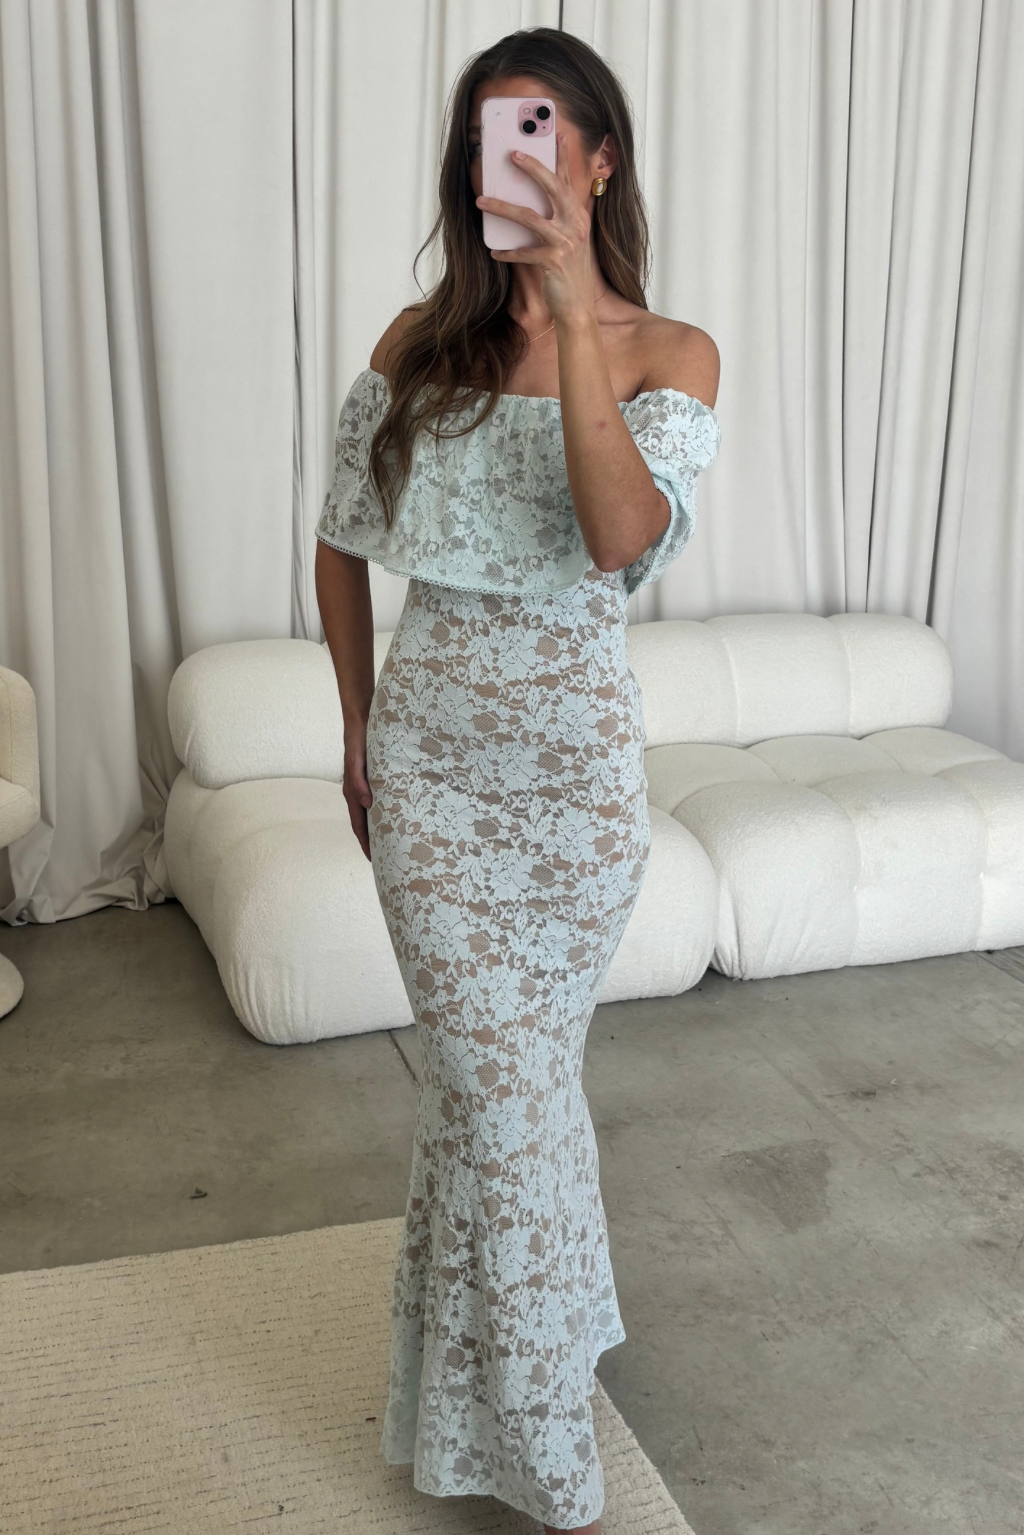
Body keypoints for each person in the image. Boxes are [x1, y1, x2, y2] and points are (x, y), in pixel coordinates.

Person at [314, 25, 721, 1535]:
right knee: (506, 1101)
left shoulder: (673, 355)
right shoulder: (419, 345)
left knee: (502, 1101)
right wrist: (357, 730)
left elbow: (618, 538)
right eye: (498, 140)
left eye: (547, 136)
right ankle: (557, 1463)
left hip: (578, 798)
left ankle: (461, 1402)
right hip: (431, 779)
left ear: (599, 161)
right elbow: (338, 540)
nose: (522, 166)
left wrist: (569, 306)